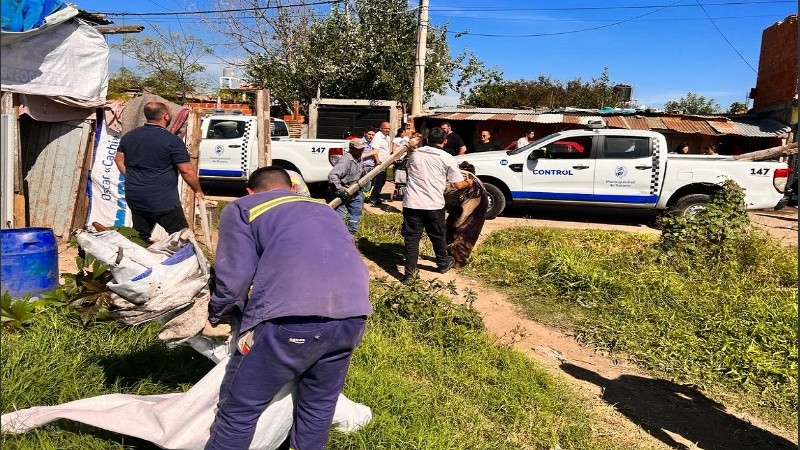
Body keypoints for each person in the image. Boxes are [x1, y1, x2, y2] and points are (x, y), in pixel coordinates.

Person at [205, 166, 371, 450]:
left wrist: (218, 311)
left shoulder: (244, 208)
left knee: (239, 410)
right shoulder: (324, 210)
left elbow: (234, 275)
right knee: (319, 405)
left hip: (289, 319)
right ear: (292, 188)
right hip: (353, 315)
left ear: (249, 192)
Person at [114, 101, 204, 243]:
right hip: (163, 200)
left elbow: (118, 160)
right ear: (166, 116)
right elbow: (186, 170)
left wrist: (131, 176)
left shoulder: (129, 136)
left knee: (140, 237)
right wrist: (198, 190)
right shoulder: (172, 141)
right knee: (182, 238)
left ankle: (137, 262)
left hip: (136, 196)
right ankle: (183, 263)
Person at [402, 127, 472, 280]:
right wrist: (469, 182)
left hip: (412, 204)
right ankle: (442, 264)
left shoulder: (415, 155)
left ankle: (409, 275)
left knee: (412, 239)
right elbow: (458, 185)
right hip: (433, 205)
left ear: (427, 140)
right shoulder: (447, 158)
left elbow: (408, 172)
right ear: (445, 141)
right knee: (438, 235)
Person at [329, 138, 367, 234]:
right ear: (351, 148)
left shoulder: (359, 158)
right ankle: (337, 232)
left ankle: (351, 231)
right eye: (358, 149)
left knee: (357, 206)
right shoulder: (346, 160)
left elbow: (360, 172)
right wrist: (340, 189)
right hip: (341, 188)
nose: (361, 151)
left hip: (353, 188)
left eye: (362, 149)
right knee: (339, 213)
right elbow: (332, 175)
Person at [368, 121, 392, 205]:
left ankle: (377, 196)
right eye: (385, 128)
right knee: (377, 181)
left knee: (382, 181)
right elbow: (375, 150)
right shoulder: (378, 137)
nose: (387, 130)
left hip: (385, 163)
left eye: (388, 128)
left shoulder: (387, 137)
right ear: (381, 128)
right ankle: (373, 198)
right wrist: (377, 160)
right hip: (379, 163)